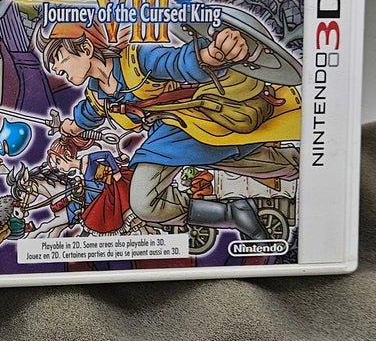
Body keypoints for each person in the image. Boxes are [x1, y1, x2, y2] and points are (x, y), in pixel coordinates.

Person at [35, 19, 300, 239]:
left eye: (60, 59)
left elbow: (175, 62)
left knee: (145, 201)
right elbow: (89, 113)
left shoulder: (137, 60)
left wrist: (213, 54)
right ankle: (237, 211)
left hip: (190, 123)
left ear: (85, 48)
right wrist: (71, 127)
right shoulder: (97, 94)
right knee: (241, 161)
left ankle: (244, 207)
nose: (56, 68)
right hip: (171, 138)